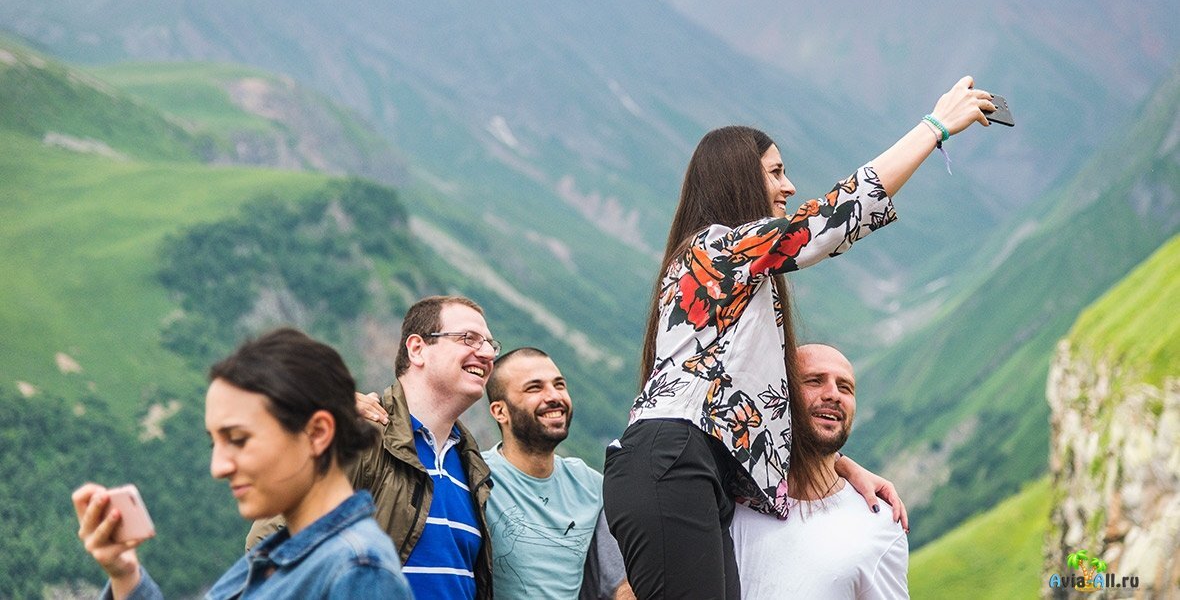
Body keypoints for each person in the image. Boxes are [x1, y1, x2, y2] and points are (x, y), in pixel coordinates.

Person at [603, 76, 994, 598]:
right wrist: (935, 127)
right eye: (776, 172)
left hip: (684, 468)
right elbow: (832, 219)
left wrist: (839, 467)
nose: (789, 187)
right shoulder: (716, 250)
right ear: (738, 180)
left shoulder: (731, 271)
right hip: (673, 463)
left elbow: (745, 407)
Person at [72, 328, 412, 599]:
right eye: (214, 443)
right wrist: (125, 573)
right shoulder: (281, 553)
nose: (218, 467)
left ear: (317, 433)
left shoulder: (358, 573)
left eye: (238, 439)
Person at [250, 294, 497, 600]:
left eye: (489, 344)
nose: (486, 353)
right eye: (468, 339)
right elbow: (271, 546)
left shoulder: (473, 469)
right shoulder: (358, 435)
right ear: (417, 349)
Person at [731, 343, 908, 599]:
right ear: (781, 393)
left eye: (845, 387)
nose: (833, 394)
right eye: (814, 381)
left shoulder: (880, 526)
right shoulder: (729, 499)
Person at [481, 347, 635, 600]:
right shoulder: (476, 477)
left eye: (559, 385)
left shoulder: (590, 485)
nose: (554, 396)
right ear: (500, 411)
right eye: (534, 388)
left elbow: (619, 582)